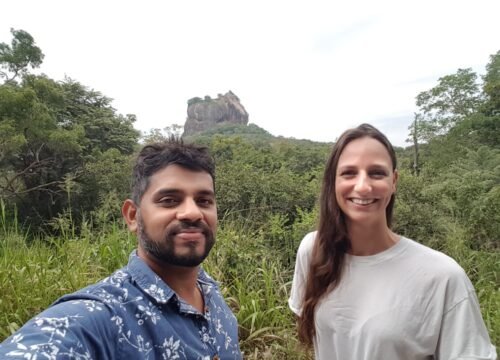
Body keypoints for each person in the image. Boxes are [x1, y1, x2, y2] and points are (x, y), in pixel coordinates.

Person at [0, 139, 242, 359]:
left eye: (204, 201)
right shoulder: (100, 317)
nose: (192, 212)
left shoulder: (211, 293)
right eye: (169, 200)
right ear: (133, 216)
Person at [288, 124, 496, 359]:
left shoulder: (442, 277)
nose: (363, 186)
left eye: (377, 173)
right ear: (333, 181)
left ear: (394, 180)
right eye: (349, 173)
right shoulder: (314, 250)